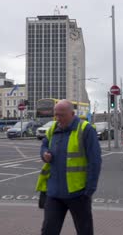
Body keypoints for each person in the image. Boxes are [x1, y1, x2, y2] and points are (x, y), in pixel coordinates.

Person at [36, 100, 102, 235]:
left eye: (62, 115)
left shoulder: (85, 129)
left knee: (84, 231)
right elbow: (44, 145)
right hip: (54, 193)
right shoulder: (53, 128)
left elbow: (95, 162)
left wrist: (89, 191)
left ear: (72, 114)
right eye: (56, 115)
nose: (58, 118)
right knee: (48, 230)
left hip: (78, 193)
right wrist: (44, 154)